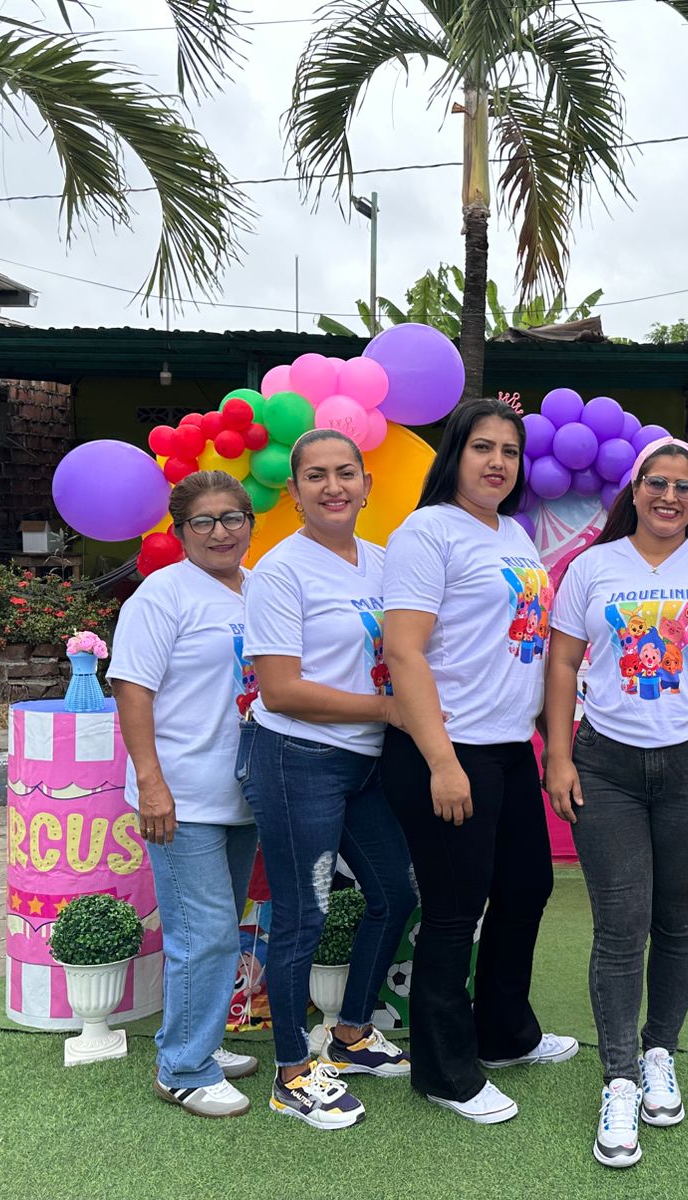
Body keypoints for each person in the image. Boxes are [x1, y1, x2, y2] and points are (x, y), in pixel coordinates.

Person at [545, 436, 688, 1169]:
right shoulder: (592, 567)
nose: (669, 496)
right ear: (634, 491)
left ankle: (659, 1050)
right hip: (606, 765)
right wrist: (558, 754)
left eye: (683, 487)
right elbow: (564, 661)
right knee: (619, 926)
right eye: (657, 483)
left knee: (678, 922)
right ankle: (618, 1077)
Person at [381, 398, 576, 1127]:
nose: (498, 462)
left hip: (508, 746)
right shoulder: (426, 531)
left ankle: (504, 1034)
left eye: (510, 451)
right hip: (448, 748)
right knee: (455, 911)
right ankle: (445, 1073)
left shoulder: (514, 534)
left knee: (526, 889)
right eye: (482, 447)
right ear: (454, 454)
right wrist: (441, 760)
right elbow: (403, 650)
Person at [240, 429, 417, 1131]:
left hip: (368, 762)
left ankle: (349, 1035)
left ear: (367, 485)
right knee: (304, 914)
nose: (333, 486)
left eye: (346, 473)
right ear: (294, 492)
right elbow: (280, 691)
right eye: (315, 475)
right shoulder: (280, 572)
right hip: (299, 760)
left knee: (395, 894)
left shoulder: (384, 563)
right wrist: (389, 710)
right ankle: (291, 1071)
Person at [111, 470, 262, 1119]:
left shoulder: (259, 588)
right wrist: (150, 782)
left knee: (219, 929)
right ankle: (182, 1067)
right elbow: (132, 688)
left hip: (243, 793)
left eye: (232, 517)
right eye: (204, 520)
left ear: (250, 523)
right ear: (180, 532)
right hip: (180, 798)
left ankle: (198, 1039)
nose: (220, 531)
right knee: (204, 934)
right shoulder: (162, 595)